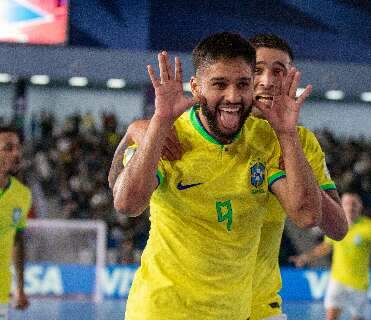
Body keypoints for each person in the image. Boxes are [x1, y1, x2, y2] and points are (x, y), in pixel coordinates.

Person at [111, 32, 326, 319]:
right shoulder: (169, 134)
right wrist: (159, 122)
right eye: (220, 84)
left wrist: (287, 133)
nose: (233, 97)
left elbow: (307, 216)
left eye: (243, 84)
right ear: (196, 88)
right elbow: (127, 203)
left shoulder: (265, 140)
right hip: (162, 310)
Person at [248, 33, 347, 320]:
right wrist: (136, 129)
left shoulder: (302, 141)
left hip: (261, 307)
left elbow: (338, 228)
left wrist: (291, 148)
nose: (267, 80)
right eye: (256, 69)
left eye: (277, 71)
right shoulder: (220, 126)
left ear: (290, 78)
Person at [289, 192, 371, 320]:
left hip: (360, 285)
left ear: (360, 206)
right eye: (347, 204)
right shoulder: (337, 225)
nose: (350, 207)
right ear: (341, 205)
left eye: (354, 204)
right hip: (337, 281)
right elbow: (325, 247)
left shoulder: (370, 228)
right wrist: (305, 258)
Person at [0, 126, 31, 320]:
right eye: (8, 148)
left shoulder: (23, 195)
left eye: (18, 147)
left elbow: (17, 240)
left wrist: (19, 288)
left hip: (2, 291)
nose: (16, 153)